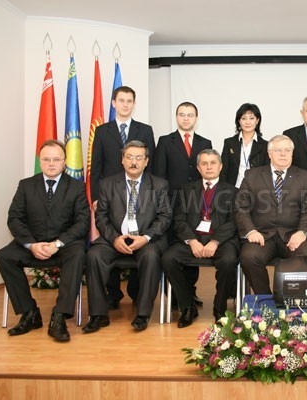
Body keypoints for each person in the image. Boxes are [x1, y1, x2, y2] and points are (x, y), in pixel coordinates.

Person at [0, 140, 89, 342]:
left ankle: (59, 316)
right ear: (40, 161)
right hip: (33, 243)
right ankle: (29, 313)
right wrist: (31, 245)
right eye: (46, 159)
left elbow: (82, 223)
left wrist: (57, 244)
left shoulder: (76, 187)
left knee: (78, 255)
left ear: (64, 161)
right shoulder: (26, 185)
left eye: (56, 159)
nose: (51, 163)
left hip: (63, 245)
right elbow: (14, 218)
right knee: (4, 256)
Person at [83, 140, 171, 333]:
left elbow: (165, 217)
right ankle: (98, 315)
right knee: (94, 256)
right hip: (114, 237)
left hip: (145, 239)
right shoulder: (107, 184)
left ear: (146, 161)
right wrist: (114, 238)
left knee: (151, 256)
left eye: (139, 158)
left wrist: (146, 237)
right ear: (122, 160)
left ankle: (143, 314)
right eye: (129, 157)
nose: (134, 162)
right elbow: (101, 216)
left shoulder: (159, 185)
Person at [90, 85, 155, 310]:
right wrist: (96, 197)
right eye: (121, 100)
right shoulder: (102, 131)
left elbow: (151, 165)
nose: (125, 104)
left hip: (140, 194)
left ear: (134, 104)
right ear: (113, 103)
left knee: (138, 237)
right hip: (111, 196)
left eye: (129, 101)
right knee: (112, 239)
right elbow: (96, 166)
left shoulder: (145, 130)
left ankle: (136, 292)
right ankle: (113, 293)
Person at [162, 149, 239, 327]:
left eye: (213, 163)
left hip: (221, 241)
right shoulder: (186, 190)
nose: (209, 167)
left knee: (229, 261)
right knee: (168, 258)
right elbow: (179, 219)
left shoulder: (233, 191)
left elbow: (234, 222)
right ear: (198, 168)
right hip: (193, 239)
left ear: (220, 166)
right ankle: (188, 306)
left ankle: (220, 309)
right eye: (204, 163)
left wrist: (215, 241)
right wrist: (192, 241)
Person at [235, 134, 307, 294]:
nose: (283, 154)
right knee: (249, 257)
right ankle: (265, 299)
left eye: (287, 150)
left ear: (292, 154)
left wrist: (302, 232)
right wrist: (251, 231)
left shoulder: (305, 177)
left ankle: (290, 300)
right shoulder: (252, 175)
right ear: (269, 153)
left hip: (293, 234)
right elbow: (240, 207)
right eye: (278, 150)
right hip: (262, 235)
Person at [153, 101, 212, 307]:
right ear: (177, 117)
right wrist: (161, 204)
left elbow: (208, 175)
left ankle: (190, 292)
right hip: (170, 203)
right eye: (182, 114)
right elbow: (159, 175)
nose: (186, 118)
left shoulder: (205, 142)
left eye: (190, 115)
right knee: (173, 248)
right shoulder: (165, 141)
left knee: (192, 245)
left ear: (196, 118)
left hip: (196, 205)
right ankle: (173, 296)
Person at [219, 103, 269, 188]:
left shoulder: (265, 145)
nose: (247, 122)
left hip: (256, 190)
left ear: (257, 121)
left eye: (251, 118)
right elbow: (223, 170)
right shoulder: (229, 143)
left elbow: (266, 173)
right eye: (244, 118)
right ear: (239, 121)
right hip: (233, 189)